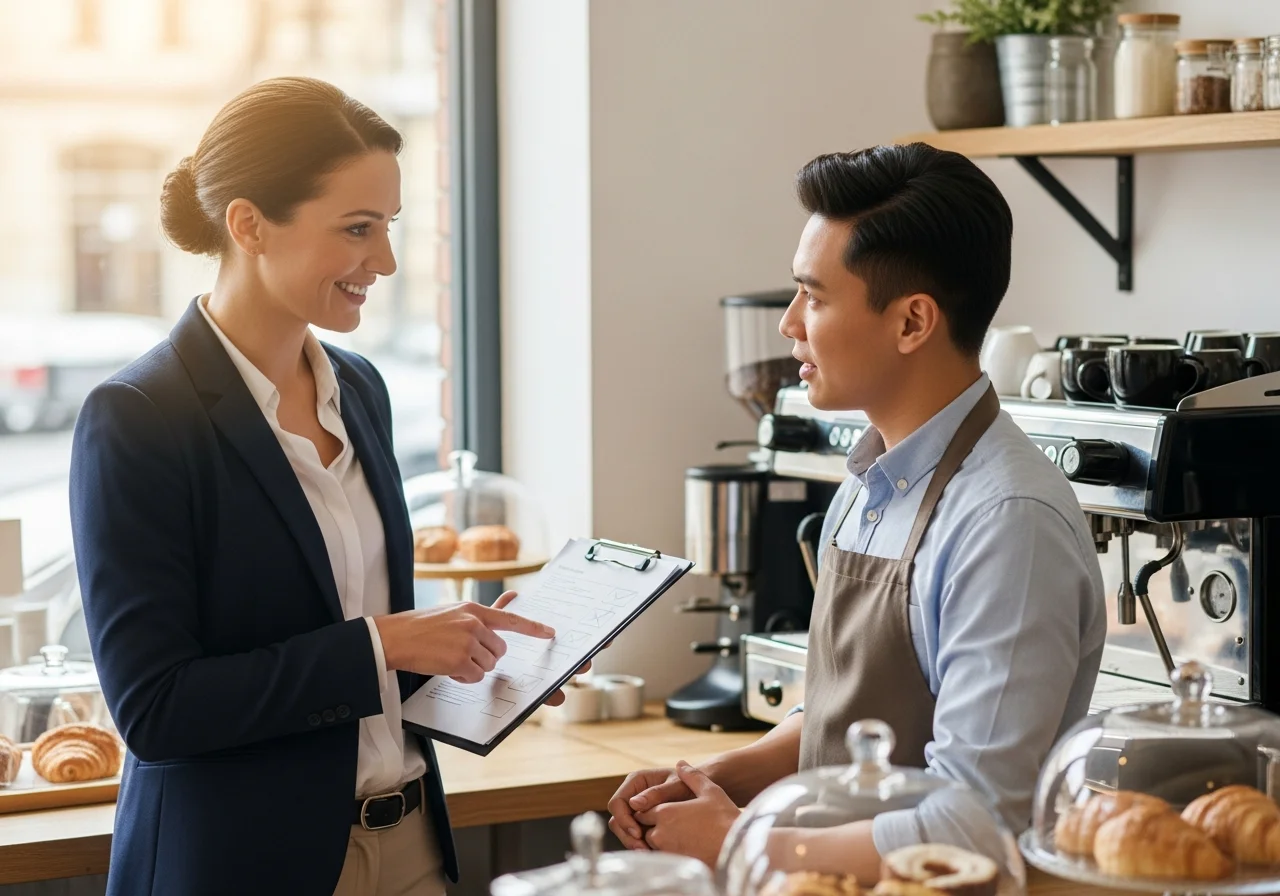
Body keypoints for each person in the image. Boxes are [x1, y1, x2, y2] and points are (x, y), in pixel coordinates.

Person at [70, 77, 584, 896]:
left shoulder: (361, 388)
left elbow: (357, 645)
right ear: (249, 226)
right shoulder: (138, 416)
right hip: (247, 867)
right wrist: (388, 643)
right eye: (357, 229)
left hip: (411, 843)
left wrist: (485, 664)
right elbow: (157, 708)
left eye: (388, 228)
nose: (381, 261)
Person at [607, 144, 1106, 878]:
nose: (788, 325)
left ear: (912, 323)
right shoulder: (868, 482)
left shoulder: (1008, 523)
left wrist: (743, 840)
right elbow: (850, 723)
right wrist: (724, 775)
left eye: (814, 296)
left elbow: (973, 823)